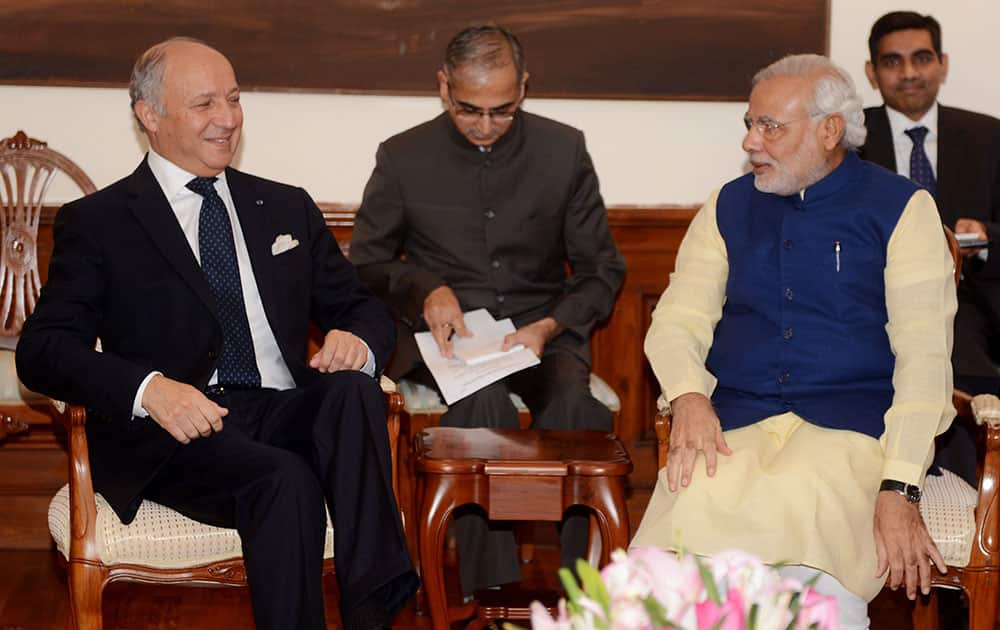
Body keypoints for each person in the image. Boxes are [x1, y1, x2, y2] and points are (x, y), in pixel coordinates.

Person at [15, 37, 417, 630]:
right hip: (174, 432)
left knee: (354, 391)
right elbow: (43, 349)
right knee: (286, 480)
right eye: (204, 104)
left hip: (279, 409)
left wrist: (356, 338)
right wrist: (150, 389)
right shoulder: (100, 222)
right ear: (149, 116)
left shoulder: (284, 208)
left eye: (232, 99)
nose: (227, 119)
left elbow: (363, 307)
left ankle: (373, 612)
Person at [631, 54, 956, 630]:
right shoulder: (727, 205)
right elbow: (678, 319)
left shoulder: (902, 208)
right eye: (750, 125)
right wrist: (687, 396)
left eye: (771, 127)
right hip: (737, 420)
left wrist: (900, 483)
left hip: (849, 427)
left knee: (806, 508)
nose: (753, 142)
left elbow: (925, 356)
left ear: (829, 130)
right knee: (698, 508)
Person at [349, 25, 625, 599]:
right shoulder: (402, 156)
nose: (484, 124)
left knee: (576, 410)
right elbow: (366, 265)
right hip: (447, 339)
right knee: (482, 405)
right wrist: (427, 288)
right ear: (443, 86)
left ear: (524, 87)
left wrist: (549, 327)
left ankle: (584, 593)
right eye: (468, 108)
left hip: (539, 330)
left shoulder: (563, 149)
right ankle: (488, 595)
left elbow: (603, 270)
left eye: (502, 110)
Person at [860, 11, 1000, 486]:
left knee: (962, 359)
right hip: (872, 303)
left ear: (941, 63)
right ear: (871, 72)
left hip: (973, 309)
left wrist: (984, 236)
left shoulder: (988, 136)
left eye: (921, 58)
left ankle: (962, 502)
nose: (909, 72)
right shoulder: (848, 140)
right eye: (893, 61)